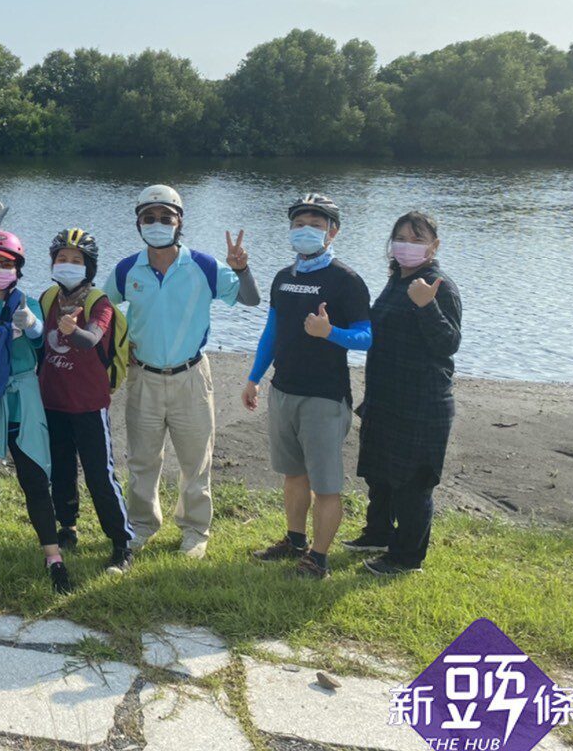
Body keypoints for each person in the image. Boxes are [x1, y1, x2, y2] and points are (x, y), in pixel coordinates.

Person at [105, 185, 261, 559]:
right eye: (149, 218)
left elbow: (250, 299)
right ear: (139, 223)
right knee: (142, 459)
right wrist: (118, 348)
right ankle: (142, 525)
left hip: (191, 376)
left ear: (179, 223)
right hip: (143, 376)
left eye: (165, 218)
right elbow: (103, 310)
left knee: (195, 459)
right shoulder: (128, 268)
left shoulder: (204, 266)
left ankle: (194, 530)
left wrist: (241, 268)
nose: (157, 224)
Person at [242, 193, 371, 579]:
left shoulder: (346, 281)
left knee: (327, 486)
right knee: (293, 475)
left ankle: (319, 559)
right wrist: (253, 377)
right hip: (284, 391)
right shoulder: (284, 278)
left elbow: (367, 337)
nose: (306, 231)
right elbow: (272, 333)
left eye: (316, 224)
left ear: (333, 232)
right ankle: (295, 541)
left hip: (325, 397)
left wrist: (330, 332)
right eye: (299, 224)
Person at [0, 231, 73, 594]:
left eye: (5, 264)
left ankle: (53, 555)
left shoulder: (27, 303)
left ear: (17, 269)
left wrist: (31, 325)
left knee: (33, 476)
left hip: (20, 397)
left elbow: (40, 337)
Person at [349, 211, 462, 575]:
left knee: (413, 483)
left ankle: (407, 557)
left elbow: (448, 344)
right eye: (401, 238)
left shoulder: (438, 285)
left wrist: (427, 306)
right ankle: (378, 533)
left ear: (434, 245)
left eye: (417, 239)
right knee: (380, 474)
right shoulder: (397, 280)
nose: (407, 245)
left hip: (422, 404)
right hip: (386, 397)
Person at [38, 227, 133, 572]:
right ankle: (68, 527)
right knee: (60, 470)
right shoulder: (48, 297)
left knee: (99, 474)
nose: (67, 264)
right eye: (62, 258)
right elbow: (40, 345)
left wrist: (72, 330)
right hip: (53, 401)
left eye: (76, 260)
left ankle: (122, 542)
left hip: (89, 404)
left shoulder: (99, 302)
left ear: (88, 267)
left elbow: (91, 339)